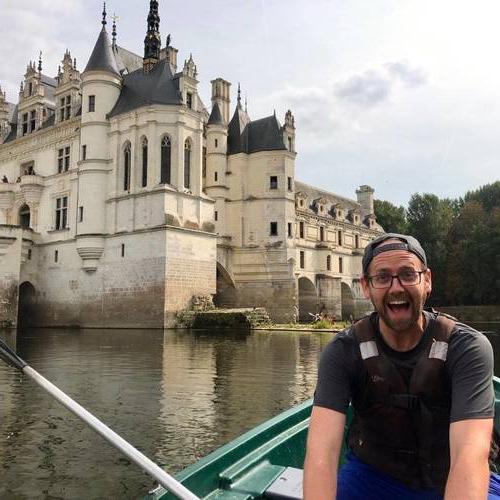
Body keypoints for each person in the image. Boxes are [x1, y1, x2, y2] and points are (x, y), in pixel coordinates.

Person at [304, 233, 498, 499]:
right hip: (372, 477)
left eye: (408, 274)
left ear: (427, 280)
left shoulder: (467, 349)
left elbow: (469, 456)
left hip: (452, 474)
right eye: (382, 277)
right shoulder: (342, 351)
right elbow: (321, 454)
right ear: (366, 286)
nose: (396, 288)